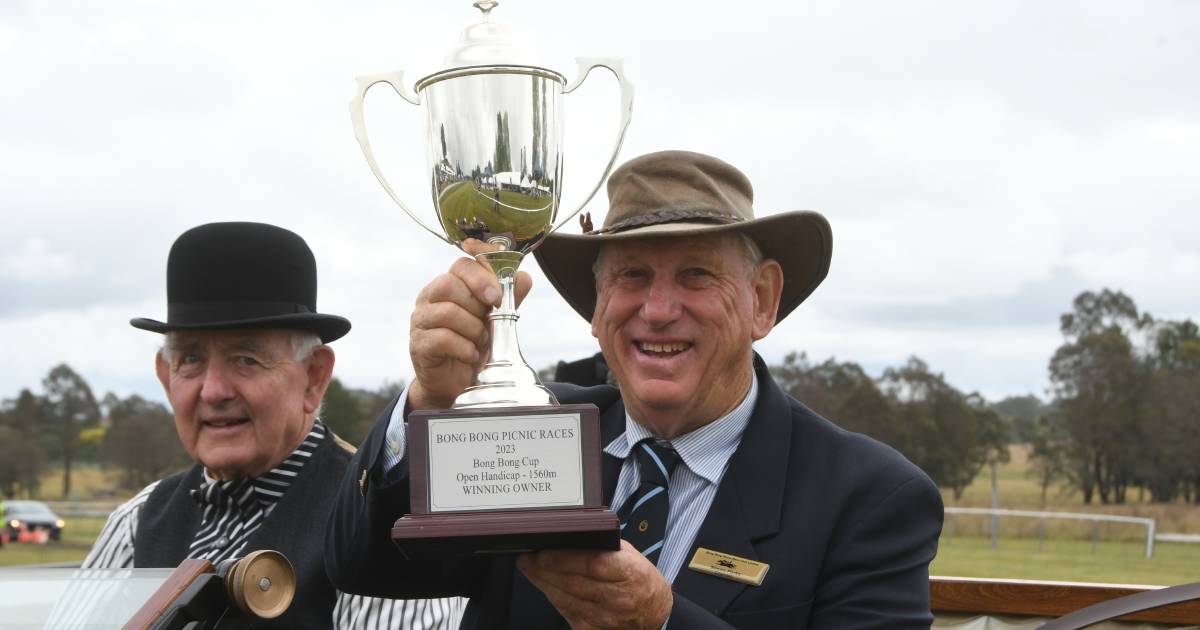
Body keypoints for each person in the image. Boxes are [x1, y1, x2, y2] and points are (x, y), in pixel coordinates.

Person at [325, 151, 944, 628]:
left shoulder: (867, 498)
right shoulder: (530, 431)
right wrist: (432, 403)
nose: (657, 309)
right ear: (597, 308)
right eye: (632, 275)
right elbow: (362, 565)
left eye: (696, 274)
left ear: (762, 301)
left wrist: (662, 621)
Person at [83, 222, 464, 629]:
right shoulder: (136, 522)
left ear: (314, 377)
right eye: (190, 359)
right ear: (165, 376)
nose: (213, 391)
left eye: (246, 358)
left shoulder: (377, 531)